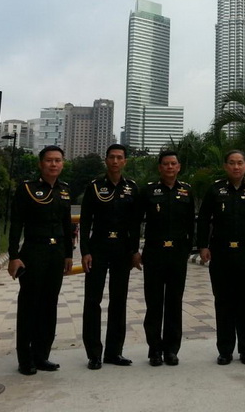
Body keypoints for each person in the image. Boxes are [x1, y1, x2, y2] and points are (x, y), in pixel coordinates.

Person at [197, 150, 245, 365]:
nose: (236, 167)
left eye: (240, 163)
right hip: (221, 253)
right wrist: (202, 246)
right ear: (225, 166)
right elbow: (203, 219)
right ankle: (225, 350)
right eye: (232, 163)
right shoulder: (215, 190)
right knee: (224, 302)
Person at [8, 145, 73, 375]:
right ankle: (25, 358)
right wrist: (13, 256)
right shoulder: (27, 188)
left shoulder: (65, 190)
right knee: (29, 304)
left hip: (57, 253)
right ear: (40, 163)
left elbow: (66, 224)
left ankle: (42, 355)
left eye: (58, 160)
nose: (54, 164)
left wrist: (68, 254)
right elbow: (16, 224)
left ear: (62, 163)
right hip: (34, 251)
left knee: (49, 304)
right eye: (49, 160)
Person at [79, 143, 141, 370]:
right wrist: (85, 251)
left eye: (119, 157)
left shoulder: (132, 188)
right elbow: (85, 221)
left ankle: (114, 352)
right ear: (106, 160)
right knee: (92, 300)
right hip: (99, 247)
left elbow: (135, 224)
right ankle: (94, 353)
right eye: (112, 157)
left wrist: (134, 251)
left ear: (125, 161)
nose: (115, 161)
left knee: (119, 300)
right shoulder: (95, 187)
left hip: (122, 250)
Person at [138, 150, 195, 367]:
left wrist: (188, 248)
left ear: (179, 167)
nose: (170, 167)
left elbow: (191, 222)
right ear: (160, 167)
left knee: (174, 302)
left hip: (177, 253)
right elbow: (137, 221)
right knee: (154, 303)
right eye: (165, 164)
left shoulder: (186, 191)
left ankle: (171, 350)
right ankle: (154, 350)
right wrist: (135, 250)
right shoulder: (149, 191)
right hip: (154, 253)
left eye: (173, 164)